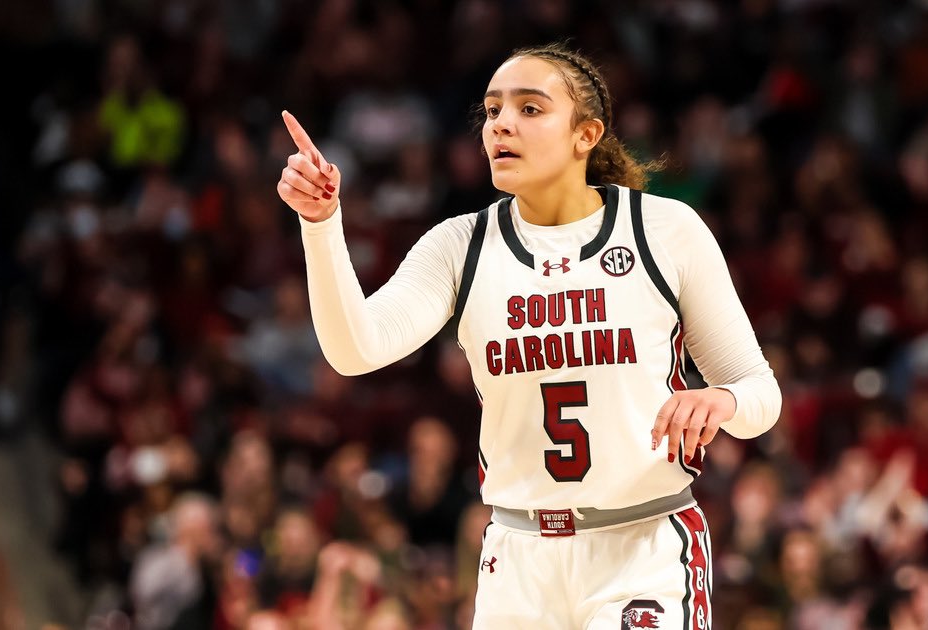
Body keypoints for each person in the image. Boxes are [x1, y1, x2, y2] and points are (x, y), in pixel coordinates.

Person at [277, 43, 781, 629]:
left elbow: (759, 396)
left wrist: (723, 398)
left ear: (585, 134)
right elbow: (354, 350)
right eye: (492, 111)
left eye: (530, 109)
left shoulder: (664, 229)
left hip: (642, 547)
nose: (502, 124)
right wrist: (321, 225)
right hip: (517, 557)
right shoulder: (458, 245)